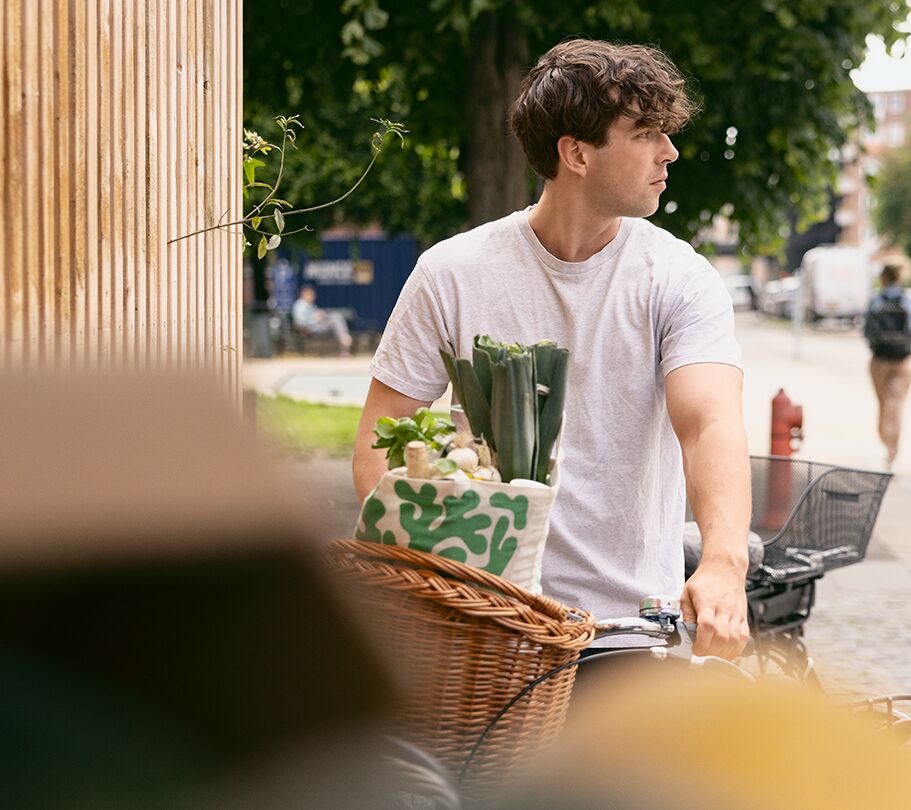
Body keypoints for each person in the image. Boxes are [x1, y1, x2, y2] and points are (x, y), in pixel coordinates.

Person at [351, 39, 751, 660]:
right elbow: (382, 436)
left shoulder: (677, 276)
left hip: (631, 631)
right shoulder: (452, 273)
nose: (669, 152)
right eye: (646, 133)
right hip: (490, 625)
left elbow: (709, 425)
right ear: (577, 153)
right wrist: (436, 581)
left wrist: (724, 562)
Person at [864, 265, 911, 468]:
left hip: (880, 361)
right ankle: (892, 449)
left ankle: (885, 442)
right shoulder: (907, 301)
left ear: (883, 277)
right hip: (903, 361)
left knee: (883, 404)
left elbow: (867, 332)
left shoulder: (875, 301)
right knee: (895, 405)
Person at [291, 284, 353, 355]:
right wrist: (315, 319)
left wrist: (321, 315)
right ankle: (345, 340)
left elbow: (317, 315)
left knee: (336, 317)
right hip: (310, 329)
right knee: (335, 318)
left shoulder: (310, 305)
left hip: (318, 326)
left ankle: (344, 341)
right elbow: (300, 322)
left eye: (313, 295)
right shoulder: (300, 305)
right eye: (310, 294)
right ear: (304, 294)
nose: (313, 297)